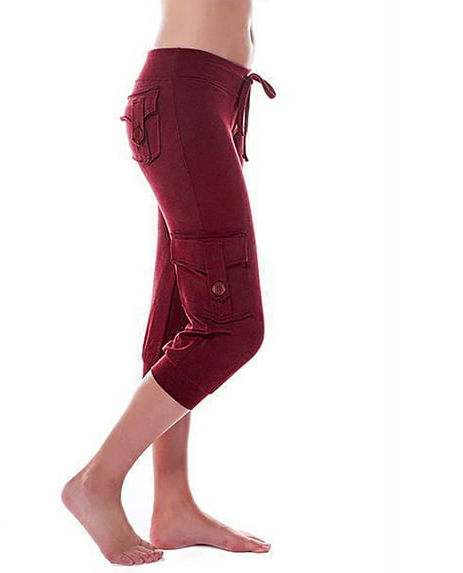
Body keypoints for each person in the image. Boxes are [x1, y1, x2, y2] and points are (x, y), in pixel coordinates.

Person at [61, 0, 276, 565]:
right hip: (187, 97)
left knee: (184, 313)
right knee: (231, 328)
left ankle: (173, 503)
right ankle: (97, 481)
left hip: (209, 99)